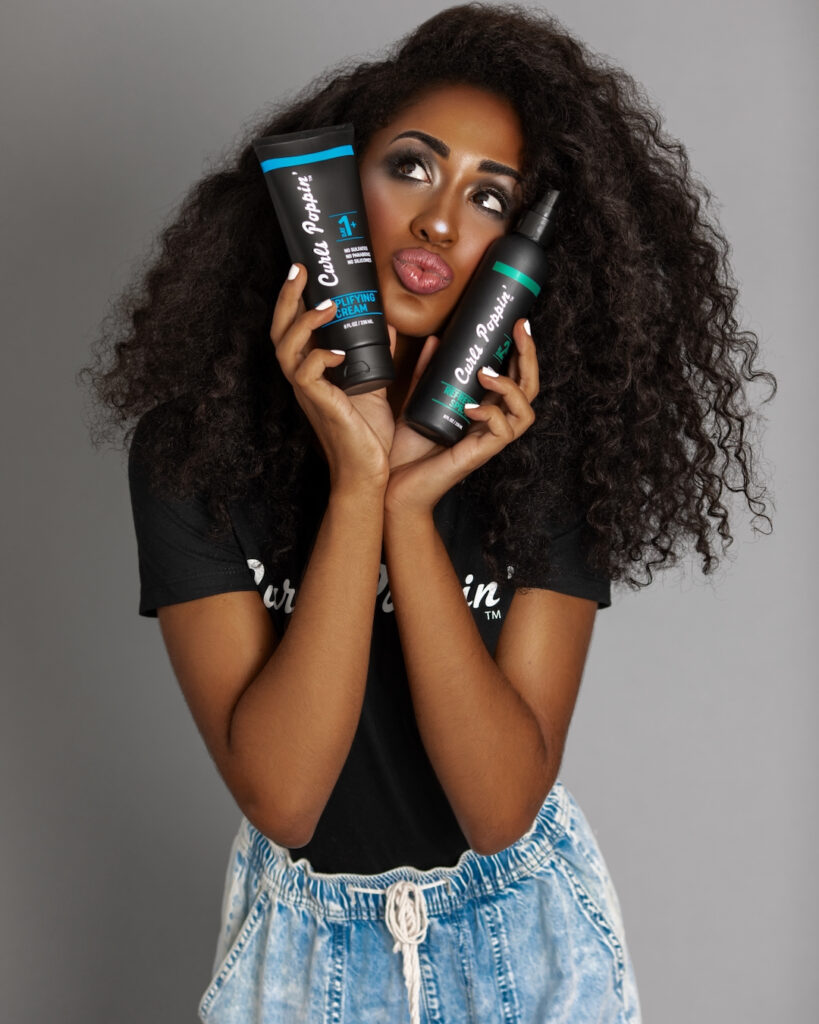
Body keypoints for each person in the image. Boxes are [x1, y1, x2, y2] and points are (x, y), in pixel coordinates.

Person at [81, 4, 776, 1022]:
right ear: (345, 186)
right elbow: (284, 795)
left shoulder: (545, 456)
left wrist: (410, 507)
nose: (442, 221)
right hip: (301, 945)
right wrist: (358, 481)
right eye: (413, 167)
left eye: (489, 197)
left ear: (525, 253)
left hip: (521, 935)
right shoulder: (193, 455)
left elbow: (500, 808)